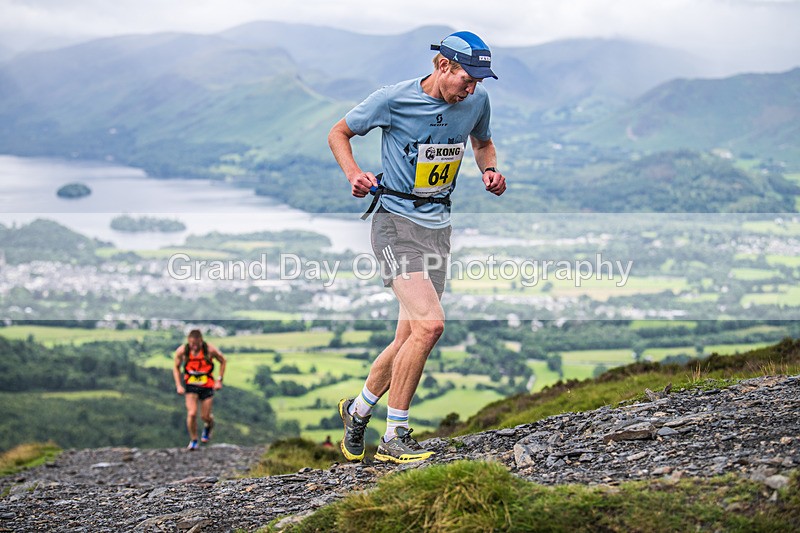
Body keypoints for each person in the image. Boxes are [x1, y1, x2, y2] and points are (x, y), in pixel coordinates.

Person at [328, 31, 506, 463]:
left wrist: (490, 169)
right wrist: (353, 173)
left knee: (409, 334)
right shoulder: (394, 99)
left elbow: (481, 142)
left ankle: (357, 411)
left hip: (438, 227)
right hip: (394, 224)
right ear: (442, 66)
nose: (473, 88)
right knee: (430, 326)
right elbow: (339, 132)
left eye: (479, 81)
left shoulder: (476, 104)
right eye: (467, 78)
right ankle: (395, 435)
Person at [173, 329, 227, 450]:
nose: (194, 347)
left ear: (201, 341)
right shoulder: (182, 351)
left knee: (205, 416)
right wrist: (178, 385)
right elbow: (176, 367)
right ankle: (194, 440)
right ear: (188, 341)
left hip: (207, 384)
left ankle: (209, 425)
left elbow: (223, 361)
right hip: (191, 384)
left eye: (197, 344)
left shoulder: (210, 350)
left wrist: (219, 380)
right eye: (192, 344)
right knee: (191, 413)